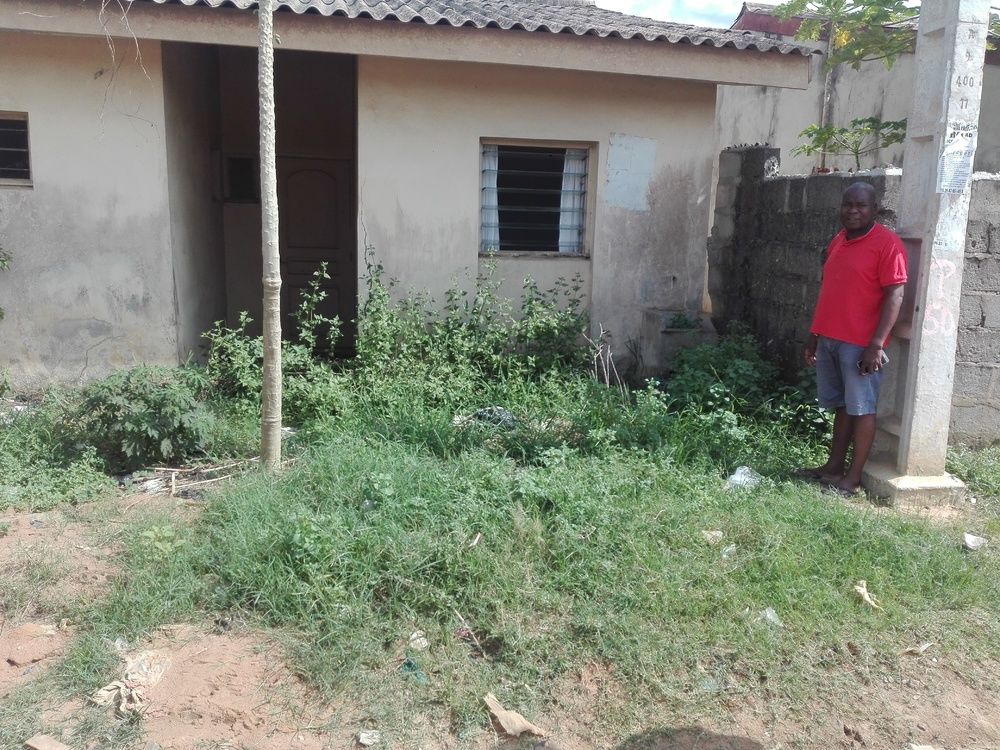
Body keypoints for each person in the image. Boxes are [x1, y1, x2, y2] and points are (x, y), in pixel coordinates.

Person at [797, 182, 907, 496]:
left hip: (860, 344)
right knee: (843, 407)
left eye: (861, 206)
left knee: (862, 409)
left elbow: (895, 296)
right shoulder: (839, 241)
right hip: (830, 337)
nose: (853, 211)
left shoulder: (888, 245)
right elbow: (830, 292)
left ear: (875, 210)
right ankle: (833, 468)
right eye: (848, 205)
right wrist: (814, 335)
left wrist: (876, 344)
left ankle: (853, 477)